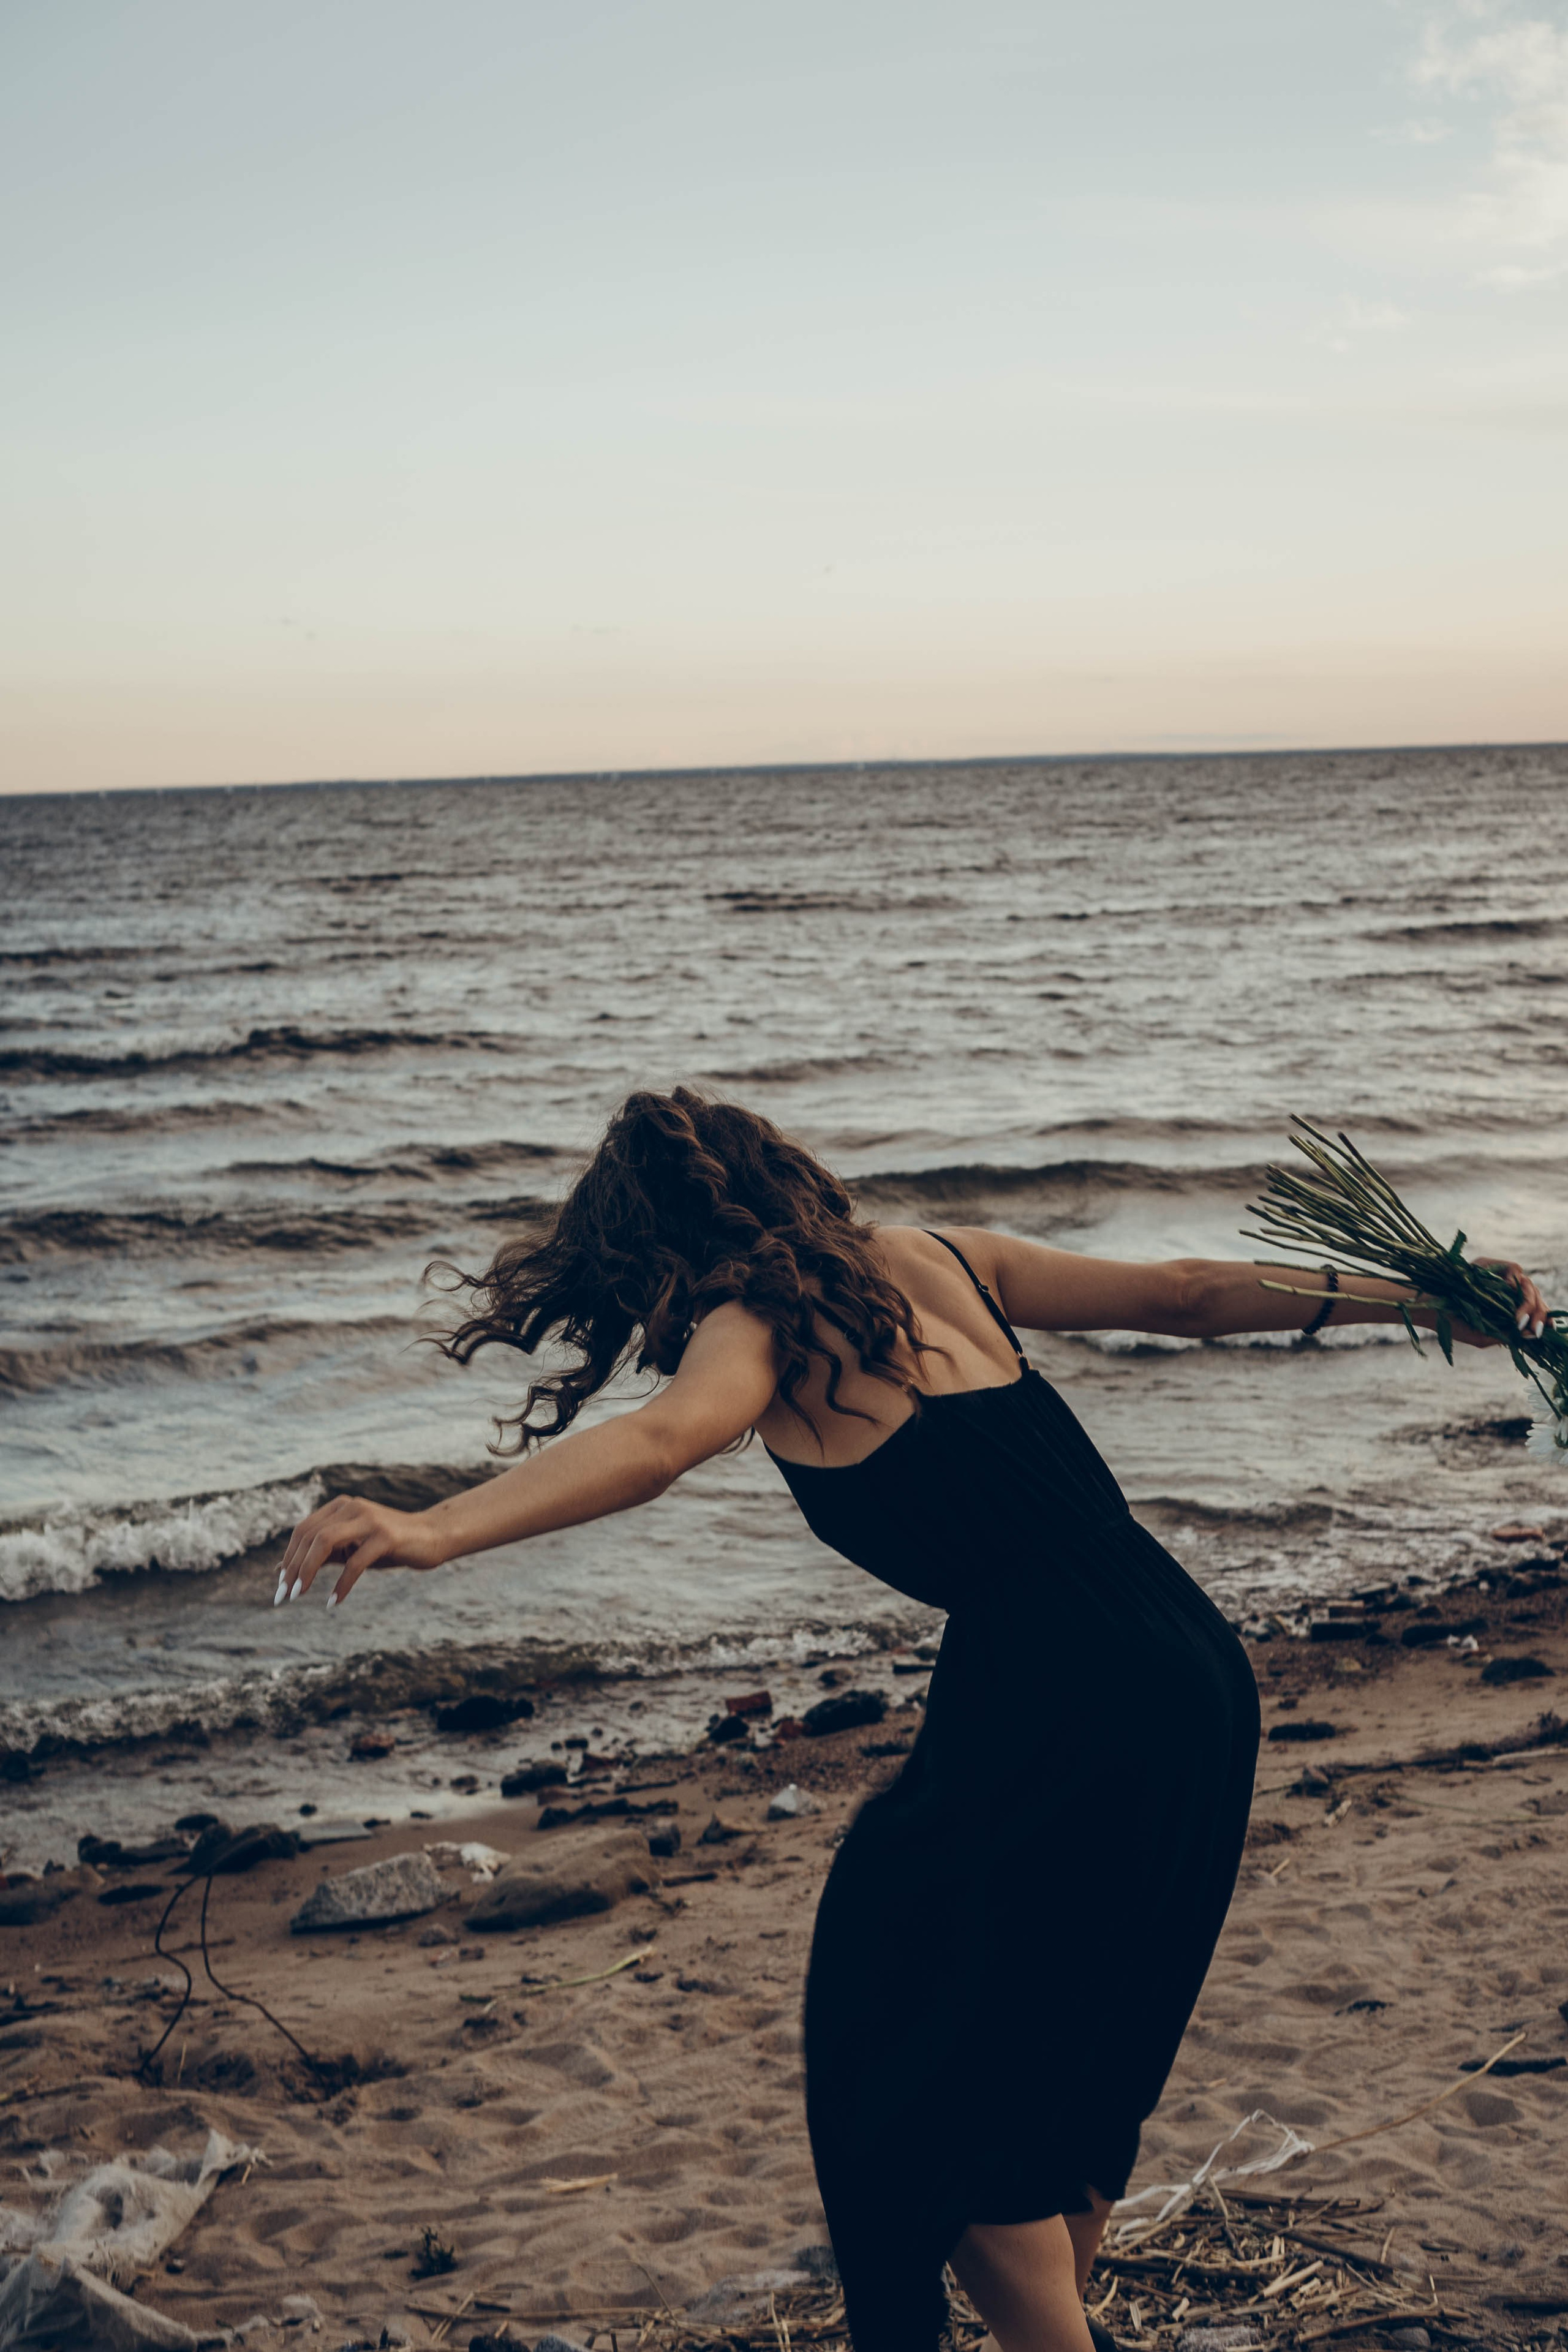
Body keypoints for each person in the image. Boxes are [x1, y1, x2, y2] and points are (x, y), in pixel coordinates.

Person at [277, 1089, 1548, 2352]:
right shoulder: (939, 1259)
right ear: (783, 1174)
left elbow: (662, 1442)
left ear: (647, 1246)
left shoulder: (756, 1326)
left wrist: (432, 1527)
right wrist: (1428, 1295)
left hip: (1057, 1687)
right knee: (1072, 2030)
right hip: (1187, 1670)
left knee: (895, 2043)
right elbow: (1183, 1292)